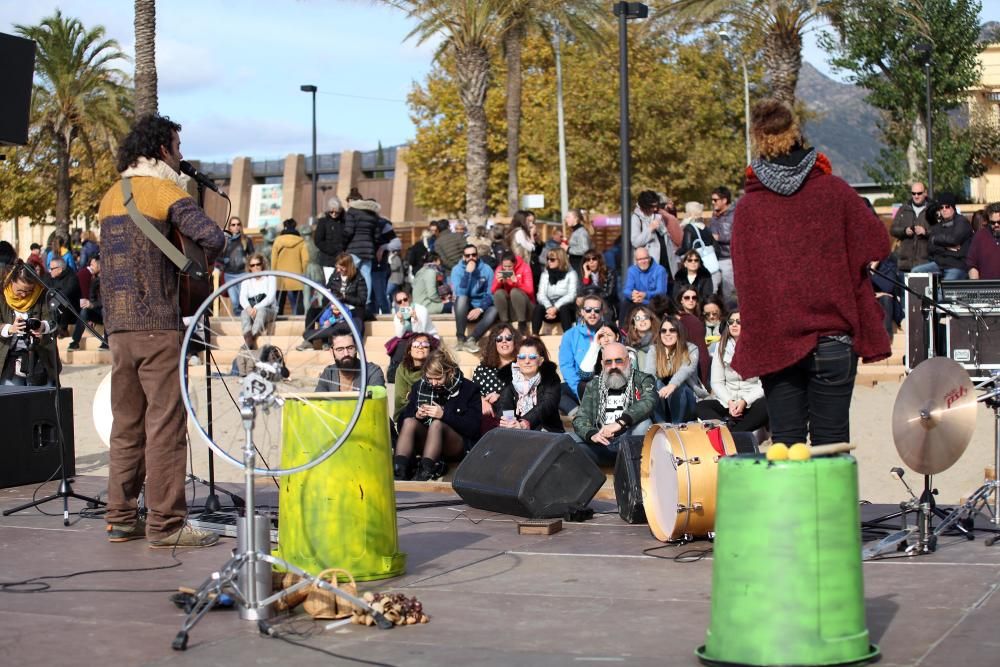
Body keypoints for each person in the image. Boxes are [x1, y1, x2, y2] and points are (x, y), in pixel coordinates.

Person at [731, 99, 890, 446]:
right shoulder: (834, 191)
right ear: (796, 131)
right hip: (833, 340)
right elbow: (878, 242)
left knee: (786, 444)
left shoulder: (748, 209)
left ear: (758, 138)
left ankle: (794, 504)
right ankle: (832, 504)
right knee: (831, 444)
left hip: (776, 342)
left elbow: (744, 283)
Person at [98, 113, 225, 547]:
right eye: (177, 146)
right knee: (166, 425)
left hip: (117, 327)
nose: (181, 154)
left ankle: (119, 518)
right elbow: (213, 237)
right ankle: (166, 526)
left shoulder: (111, 195)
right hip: (157, 324)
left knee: (126, 424)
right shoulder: (166, 189)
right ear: (161, 150)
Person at [394, 350, 481, 481]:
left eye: (438, 378)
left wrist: (444, 415)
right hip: (425, 441)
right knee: (409, 422)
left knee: (437, 424)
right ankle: (399, 471)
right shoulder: (420, 386)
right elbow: (401, 424)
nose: (433, 383)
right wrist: (416, 415)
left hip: (455, 444)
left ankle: (424, 472)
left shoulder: (468, 389)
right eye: (429, 378)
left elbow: (473, 428)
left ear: (450, 372)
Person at [572, 341, 656, 466]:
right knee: (567, 438)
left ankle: (634, 469)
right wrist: (592, 434)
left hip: (629, 442)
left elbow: (649, 401)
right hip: (602, 444)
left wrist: (620, 422)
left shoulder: (643, 379)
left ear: (628, 361)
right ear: (602, 364)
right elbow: (581, 418)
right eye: (608, 362)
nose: (613, 366)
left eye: (619, 361)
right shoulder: (594, 385)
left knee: (645, 424)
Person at [696, 311, 768, 432]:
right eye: (731, 322)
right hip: (728, 402)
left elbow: (763, 384)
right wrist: (730, 402)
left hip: (751, 401)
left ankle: (733, 433)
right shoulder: (721, 346)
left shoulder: (759, 347)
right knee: (700, 407)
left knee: (768, 405)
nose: (734, 325)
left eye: (739, 322)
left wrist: (745, 401)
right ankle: (729, 429)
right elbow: (717, 382)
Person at [1, 262, 57, 386]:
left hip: (39, 356)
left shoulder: (42, 293)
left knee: (41, 398)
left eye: (29, 291)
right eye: (19, 290)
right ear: (11, 282)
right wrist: (10, 328)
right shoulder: (2, 295)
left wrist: (42, 327)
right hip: (7, 357)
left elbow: (53, 321)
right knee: (11, 398)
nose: (24, 294)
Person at [645, 316, 707, 423]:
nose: (667, 333)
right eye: (663, 331)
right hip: (662, 402)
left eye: (672, 330)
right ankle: (662, 426)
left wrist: (672, 385)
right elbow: (649, 374)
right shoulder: (654, 350)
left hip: (687, 401)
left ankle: (677, 426)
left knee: (680, 387)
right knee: (656, 385)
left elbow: (686, 370)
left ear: (679, 332)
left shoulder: (691, 349)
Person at [495, 336, 564, 432]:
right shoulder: (511, 378)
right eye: (522, 357)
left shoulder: (551, 378)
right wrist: (510, 422)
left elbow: (547, 405)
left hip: (547, 431)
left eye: (532, 357)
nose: (527, 361)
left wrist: (525, 423)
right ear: (517, 361)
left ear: (540, 361)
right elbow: (505, 403)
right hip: (516, 431)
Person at [299, 253, 367, 350]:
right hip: (333, 307)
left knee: (358, 317)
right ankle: (309, 342)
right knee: (312, 311)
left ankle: (353, 343)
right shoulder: (335, 274)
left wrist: (344, 297)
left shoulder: (359, 278)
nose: (338, 270)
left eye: (341, 268)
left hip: (350, 309)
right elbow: (328, 289)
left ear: (348, 266)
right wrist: (326, 294)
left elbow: (362, 300)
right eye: (337, 267)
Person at [559, 294, 611, 413]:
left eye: (596, 310)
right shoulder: (570, 335)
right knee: (556, 389)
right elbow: (566, 366)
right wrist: (579, 391)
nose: (592, 313)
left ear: (602, 312)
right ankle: (577, 413)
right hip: (580, 384)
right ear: (582, 312)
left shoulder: (609, 332)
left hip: (604, 384)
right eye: (588, 310)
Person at [910, 193, 973, 280]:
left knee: (944, 287)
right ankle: (919, 294)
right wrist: (947, 247)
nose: (944, 210)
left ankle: (941, 293)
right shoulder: (938, 226)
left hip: (956, 265)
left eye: (947, 207)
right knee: (915, 272)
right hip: (939, 264)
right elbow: (931, 248)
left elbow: (953, 239)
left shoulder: (961, 222)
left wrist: (936, 240)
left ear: (953, 208)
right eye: (941, 207)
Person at [472, 322, 522, 429]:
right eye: (499, 338)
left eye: (508, 338)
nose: (504, 341)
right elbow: (472, 391)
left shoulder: (522, 365)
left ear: (515, 341)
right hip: (487, 416)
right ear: (494, 343)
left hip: (513, 417)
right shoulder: (484, 368)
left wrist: (501, 397)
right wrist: (482, 400)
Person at [385, 288, 440, 381]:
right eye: (399, 301)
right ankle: (395, 368)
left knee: (409, 343)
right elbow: (399, 334)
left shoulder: (421, 310)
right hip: (409, 338)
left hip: (427, 336)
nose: (403, 303)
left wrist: (414, 318)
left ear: (409, 299)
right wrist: (401, 321)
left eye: (405, 299)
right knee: (397, 343)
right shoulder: (398, 314)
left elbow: (421, 333)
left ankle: (399, 369)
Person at [315, 322, 385, 392]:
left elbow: (376, 397)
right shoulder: (329, 373)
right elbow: (317, 401)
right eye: (340, 349)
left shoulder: (372, 372)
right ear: (331, 351)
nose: (346, 354)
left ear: (356, 348)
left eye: (350, 348)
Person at [451, 244, 497, 353]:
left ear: (478, 255)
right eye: (468, 255)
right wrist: (468, 274)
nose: (471, 258)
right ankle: (461, 339)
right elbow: (460, 293)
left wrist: (480, 309)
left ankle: (472, 339)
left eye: (474, 255)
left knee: (495, 309)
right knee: (462, 298)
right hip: (464, 308)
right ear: (463, 257)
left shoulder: (487, 269)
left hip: (481, 307)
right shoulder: (457, 270)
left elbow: (491, 294)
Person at [631, 190, 681, 275]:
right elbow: (635, 242)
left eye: (656, 206)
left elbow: (666, 237)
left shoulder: (657, 215)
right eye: (652, 206)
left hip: (667, 264)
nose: (655, 209)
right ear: (644, 206)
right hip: (650, 266)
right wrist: (650, 229)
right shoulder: (636, 218)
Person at [677, 202, 721, 294]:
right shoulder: (705, 228)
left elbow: (687, 248)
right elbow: (716, 247)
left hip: (697, 266)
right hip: (711, 266)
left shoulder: (689, 228)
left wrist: (676, 253)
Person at [532, 247, 578, 334]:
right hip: (549, 309)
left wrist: (556, 307)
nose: (549, 261)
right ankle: (534, 335)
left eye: (552, 259)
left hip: (565, 310)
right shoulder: (545, 274)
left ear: (560, 260)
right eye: (548, 259)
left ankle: (567, 337)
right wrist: (549, 307)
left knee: (564, 308)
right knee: (538, 308)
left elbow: (571, 295)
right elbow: (540, 294)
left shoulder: (571, 274)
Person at [344, 196, 380, 304]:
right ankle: (366, 301)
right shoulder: (373, 214)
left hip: (354, 248)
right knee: (366, 275)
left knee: (348, 274)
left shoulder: (352, 212)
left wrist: (343, 245)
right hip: (368, 249)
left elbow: (348, 231)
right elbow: (377, 235)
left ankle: (346, 300)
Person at [393, 333, 438, 421]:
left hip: (433, 413)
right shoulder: (403, 369)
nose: (421, 347)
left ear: (430, 350)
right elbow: (400, 399)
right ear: (410, 350)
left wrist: (411, 396)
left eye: (425, 345)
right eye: (416, 345)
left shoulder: (436, 368)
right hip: (407, 413)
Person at [890, 182, 932, 272]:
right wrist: (905, 231)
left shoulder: (932, 209)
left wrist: (925, 232)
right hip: (904, 264)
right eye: (913, 193)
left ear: (925, 193)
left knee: (920, 286)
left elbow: (939, 232)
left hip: (924, 264)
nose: (916, 196)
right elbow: (893, 229)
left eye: (919, 193)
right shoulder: (903, 209)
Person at [68, 254, 107, 351]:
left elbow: (109, 300)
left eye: (94, 264)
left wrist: (93, 304)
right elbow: (91, 297)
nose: (92, 266)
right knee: (84, 312)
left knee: (106, 310)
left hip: (107, 312)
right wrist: (91, 305)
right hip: (98, 312)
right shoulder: (94, 280)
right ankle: (75, 342)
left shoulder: (108, 280)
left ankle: (106, 342)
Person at [217, 216, 255, 316]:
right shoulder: (224, 240)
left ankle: (245, 320)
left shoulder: (246, 240)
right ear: (229, 227)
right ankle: (239, 321)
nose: (236, 227)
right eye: (233, 225)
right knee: (234, 301)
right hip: (229, 275)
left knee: (243, 300)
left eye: (238, 224)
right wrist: (224, 261)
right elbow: (216, 256)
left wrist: (247, 262)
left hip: (243, 274)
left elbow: (253, 255)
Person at [238, 253, 277, 350]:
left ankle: (251, 339)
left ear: (262, 264)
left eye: (258, 264)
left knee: (262, 311)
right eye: (252, 265)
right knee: (244, 312)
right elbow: (242, 297)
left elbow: (270, 298)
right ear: (249, 267)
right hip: (252, 309)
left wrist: (256, 307)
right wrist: (248, 308)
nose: (255, 267)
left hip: (269, 310)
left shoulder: (271, 277)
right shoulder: (246, 280)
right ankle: (248, 338)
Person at [271, 218, 309, 315]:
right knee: (298, 303)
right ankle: (299, 324)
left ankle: (277, 325)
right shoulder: (301, 241)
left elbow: (274, 259)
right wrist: (303, 271)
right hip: (297, 276)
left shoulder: (278, 240)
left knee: (279, 302)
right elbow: (305, 260)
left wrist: (273, 273)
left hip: (280, 276)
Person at [491, 251, 534, 334]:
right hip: (511, 309)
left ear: (514, 263)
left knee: (514, 292)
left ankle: (522, 324)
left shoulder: (525, 268)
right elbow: (493, 291)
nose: (507, 269)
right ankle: (505, 323)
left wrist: (516, 282)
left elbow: (530, 291)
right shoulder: (500, 269)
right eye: (505, 267)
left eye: (510, 266)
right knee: (499, 292)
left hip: (526, 308)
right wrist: (498, 282)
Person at [621, 247, 668, 323]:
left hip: (653, 302)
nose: (643, 261)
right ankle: (622, 330)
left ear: (649, 258)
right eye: (640, 259)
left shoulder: (660, 270)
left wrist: (645, 295)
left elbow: (661, 292)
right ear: (636, 261)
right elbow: (626, 290)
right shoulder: (632, 270)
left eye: (645, 258)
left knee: (658, 302)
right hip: (637, 301)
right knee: (626, 302)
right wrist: (633, 294)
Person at [709, 186, 736, 305]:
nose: (713, 202)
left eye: (715, 200)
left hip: (728, 258)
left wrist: (719, 238)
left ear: (724, 200)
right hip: (713, 258)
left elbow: (737, 236)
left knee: (728, 293)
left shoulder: (734, 215)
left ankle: (731, 317)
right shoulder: (715, 215)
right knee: (713, 290)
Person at [45, 257, 80, 336]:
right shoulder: (49, 277)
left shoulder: (72, 278)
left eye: (52, 269)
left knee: (62, 300)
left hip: (71, 312)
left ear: (60, 269)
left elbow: (67, 293)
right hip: (55, 308)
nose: (50, 271)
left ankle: (62, 329)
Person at [314, 196, 345, 283]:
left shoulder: (344, 222)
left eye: (337, 212)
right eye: (332, 212)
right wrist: (332, 250)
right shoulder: (323, 222)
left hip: (341, 258)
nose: (334, 214)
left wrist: (341, 249)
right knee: (329, 283)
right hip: (327, 259)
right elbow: (318, 240)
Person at [966, 203, 1000, 280]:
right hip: (986, 288)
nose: (996, 225)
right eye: (993, 222)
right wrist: (976, 286)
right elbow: (972, 264)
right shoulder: (980, 236)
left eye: (999, 222)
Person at [625, 305, 659, 371]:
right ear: (634, 324)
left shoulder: (660, 340)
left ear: (651, 320)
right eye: (637, 318)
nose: (642, 320)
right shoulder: (630, 346)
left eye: (645, 317)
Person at [566, 209, 594, 275]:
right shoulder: (576, 231)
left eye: (568, 217)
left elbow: (585, 250)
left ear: (576, 218)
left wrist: (568, 249)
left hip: (579, 266)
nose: (566, 219)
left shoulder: (581, 232)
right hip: (575, 265)